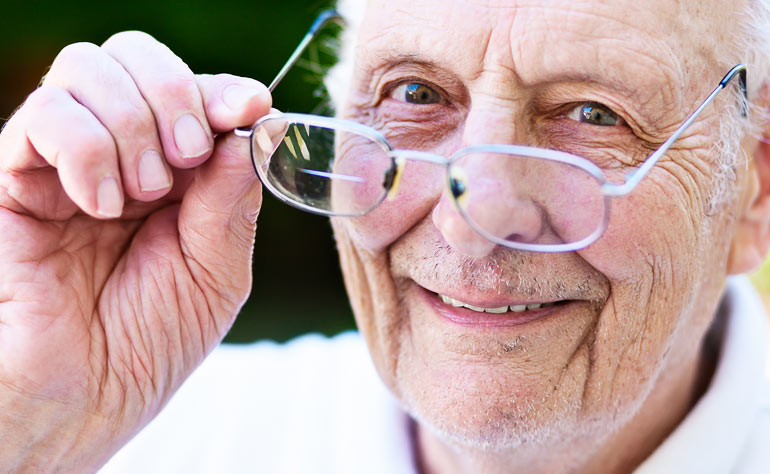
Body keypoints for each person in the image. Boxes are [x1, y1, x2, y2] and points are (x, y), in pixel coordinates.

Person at [2, 0, 770, 472]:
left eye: (594, 115)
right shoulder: (159, 443)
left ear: (752, 195)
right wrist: (34, 427)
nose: (471, 225)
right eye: (417, 95)